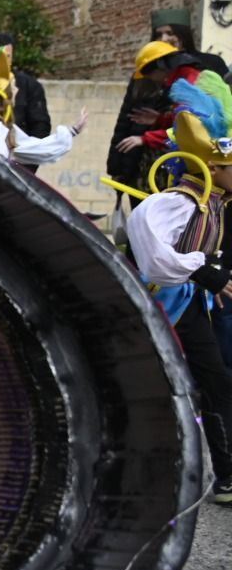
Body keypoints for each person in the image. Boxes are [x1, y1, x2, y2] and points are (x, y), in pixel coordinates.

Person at [126, 106, 232, 505]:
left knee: (215, 383)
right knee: (147, 387)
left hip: (187, 305)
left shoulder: (213, 201)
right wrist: (202, 268)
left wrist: (208, 272)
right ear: (214, 169)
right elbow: (153, 255)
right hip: (157, 302)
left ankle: (226, 476)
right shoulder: (179, 201)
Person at [108, 40, 177, 204]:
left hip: (169, 171)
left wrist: (152, 131)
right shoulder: (143, 86)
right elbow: (123, 126)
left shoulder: (185, 83)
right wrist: (117, 169)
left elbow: (184, 128)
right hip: (140, 172)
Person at [0, 33, 51, 144]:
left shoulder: (29, 85)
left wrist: (26, 154)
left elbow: (40, 126)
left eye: (7, 56)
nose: (3, 63)